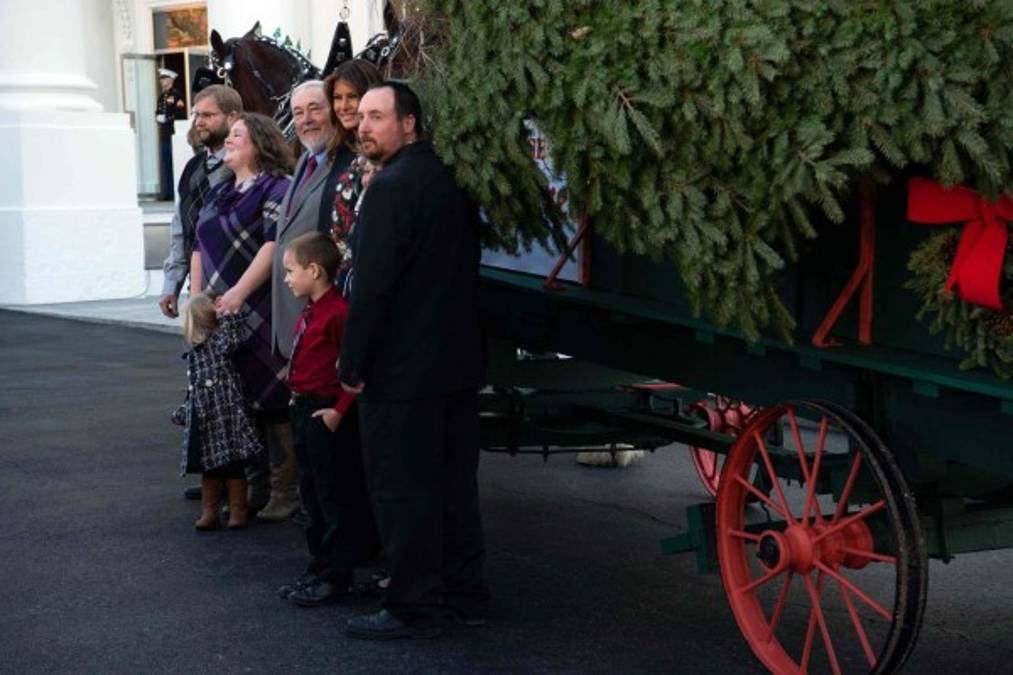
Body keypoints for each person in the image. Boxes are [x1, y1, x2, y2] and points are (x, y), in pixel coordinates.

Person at [339, 82, 489, 640]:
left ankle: (412, 606)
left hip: (403, 373)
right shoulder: (450, 178)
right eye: (362, 117)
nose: (363, 126)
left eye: (377, 117)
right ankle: (465, 596)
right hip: (455, 366)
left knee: (403, 493)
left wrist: (351, 363)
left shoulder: (390, 187)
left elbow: (372, 288)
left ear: (409, 123)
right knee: (454, 490)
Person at [191, 112, 294, 525]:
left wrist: (240, 292)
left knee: (273, 398)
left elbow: (274, 244)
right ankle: (254, 487)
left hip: (261, 305)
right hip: (219, 313)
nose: (229, 140)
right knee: (236, 398)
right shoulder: (220, 191)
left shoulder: (277, 187)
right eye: (229, 134)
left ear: (261, 143)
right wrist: (196, 302)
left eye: (238, 134)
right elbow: (199, 245)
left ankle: (285, 491)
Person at [275, 231, 380, 607]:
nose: (286, 279)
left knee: (332, 496)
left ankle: (337, 576)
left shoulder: (339, 313)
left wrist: (338, 411)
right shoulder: (312, 310)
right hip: (303, 407)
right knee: (311, 495)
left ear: (314, 270)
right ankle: (320, 565)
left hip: (325, 411)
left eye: (291, 271)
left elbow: (356, 370)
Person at [264, 80, 343, 523]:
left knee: (328, 453)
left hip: (324, 318)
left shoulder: (342, 165)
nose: (306, 119)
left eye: (315, 108)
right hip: (296, 314)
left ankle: (332, 532)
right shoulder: (305, 162)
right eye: (298, 112)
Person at [172, 292, 264, 530]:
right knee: (210, 469)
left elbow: (232, 336)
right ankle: (209, 511)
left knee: (234, 468)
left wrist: (227, 312)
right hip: (206, 418)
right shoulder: (195, 355)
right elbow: (193, 390)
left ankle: (238, 511)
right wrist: (184, 411)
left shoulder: (220, 343)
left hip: (228, 415)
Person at [158, 85, 242, 320]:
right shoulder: (192, 167)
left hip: (238, 288)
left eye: (208, 115)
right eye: (196, 115)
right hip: (197, 288)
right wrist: (171, 284)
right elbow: (181, 228)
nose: (199, 122)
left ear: (232, 117)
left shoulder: (247, 166)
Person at [322, 59, 383, 292]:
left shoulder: (382, 156)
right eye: (337, 98)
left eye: (352, 96)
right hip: (336, 278)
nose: (343, 106)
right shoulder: (339, 151)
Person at [156, 67, 185, 201]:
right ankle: (167, 192)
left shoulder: (176, 95)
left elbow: (179, 114)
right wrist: (158, 117)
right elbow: (158, 112)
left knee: (174, 164)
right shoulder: (162, 97)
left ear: (171, 79)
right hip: (164, 135)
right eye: (161, 79)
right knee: (166, 164)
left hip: (173, 133)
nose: (162, 81)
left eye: (164, 78)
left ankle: (174, 192)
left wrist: (167, 119)